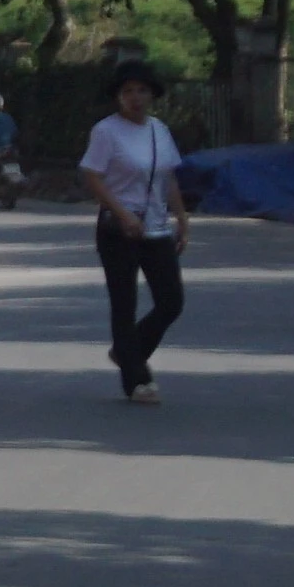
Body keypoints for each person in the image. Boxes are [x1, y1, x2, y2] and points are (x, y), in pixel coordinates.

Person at [82, 60, 188, 404]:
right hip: (118, 229)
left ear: (152, 94)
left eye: (142, 90)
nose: (136, 97)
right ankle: (137, 380)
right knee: (124, 304)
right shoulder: (106, 131)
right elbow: (93, 176)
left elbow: (168, 178)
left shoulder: (159, 130)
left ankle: (129, 351)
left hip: (156, 227)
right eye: (128, 91)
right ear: (118, 96)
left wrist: (182, 219)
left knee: (171, 302)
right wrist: (122, 213)